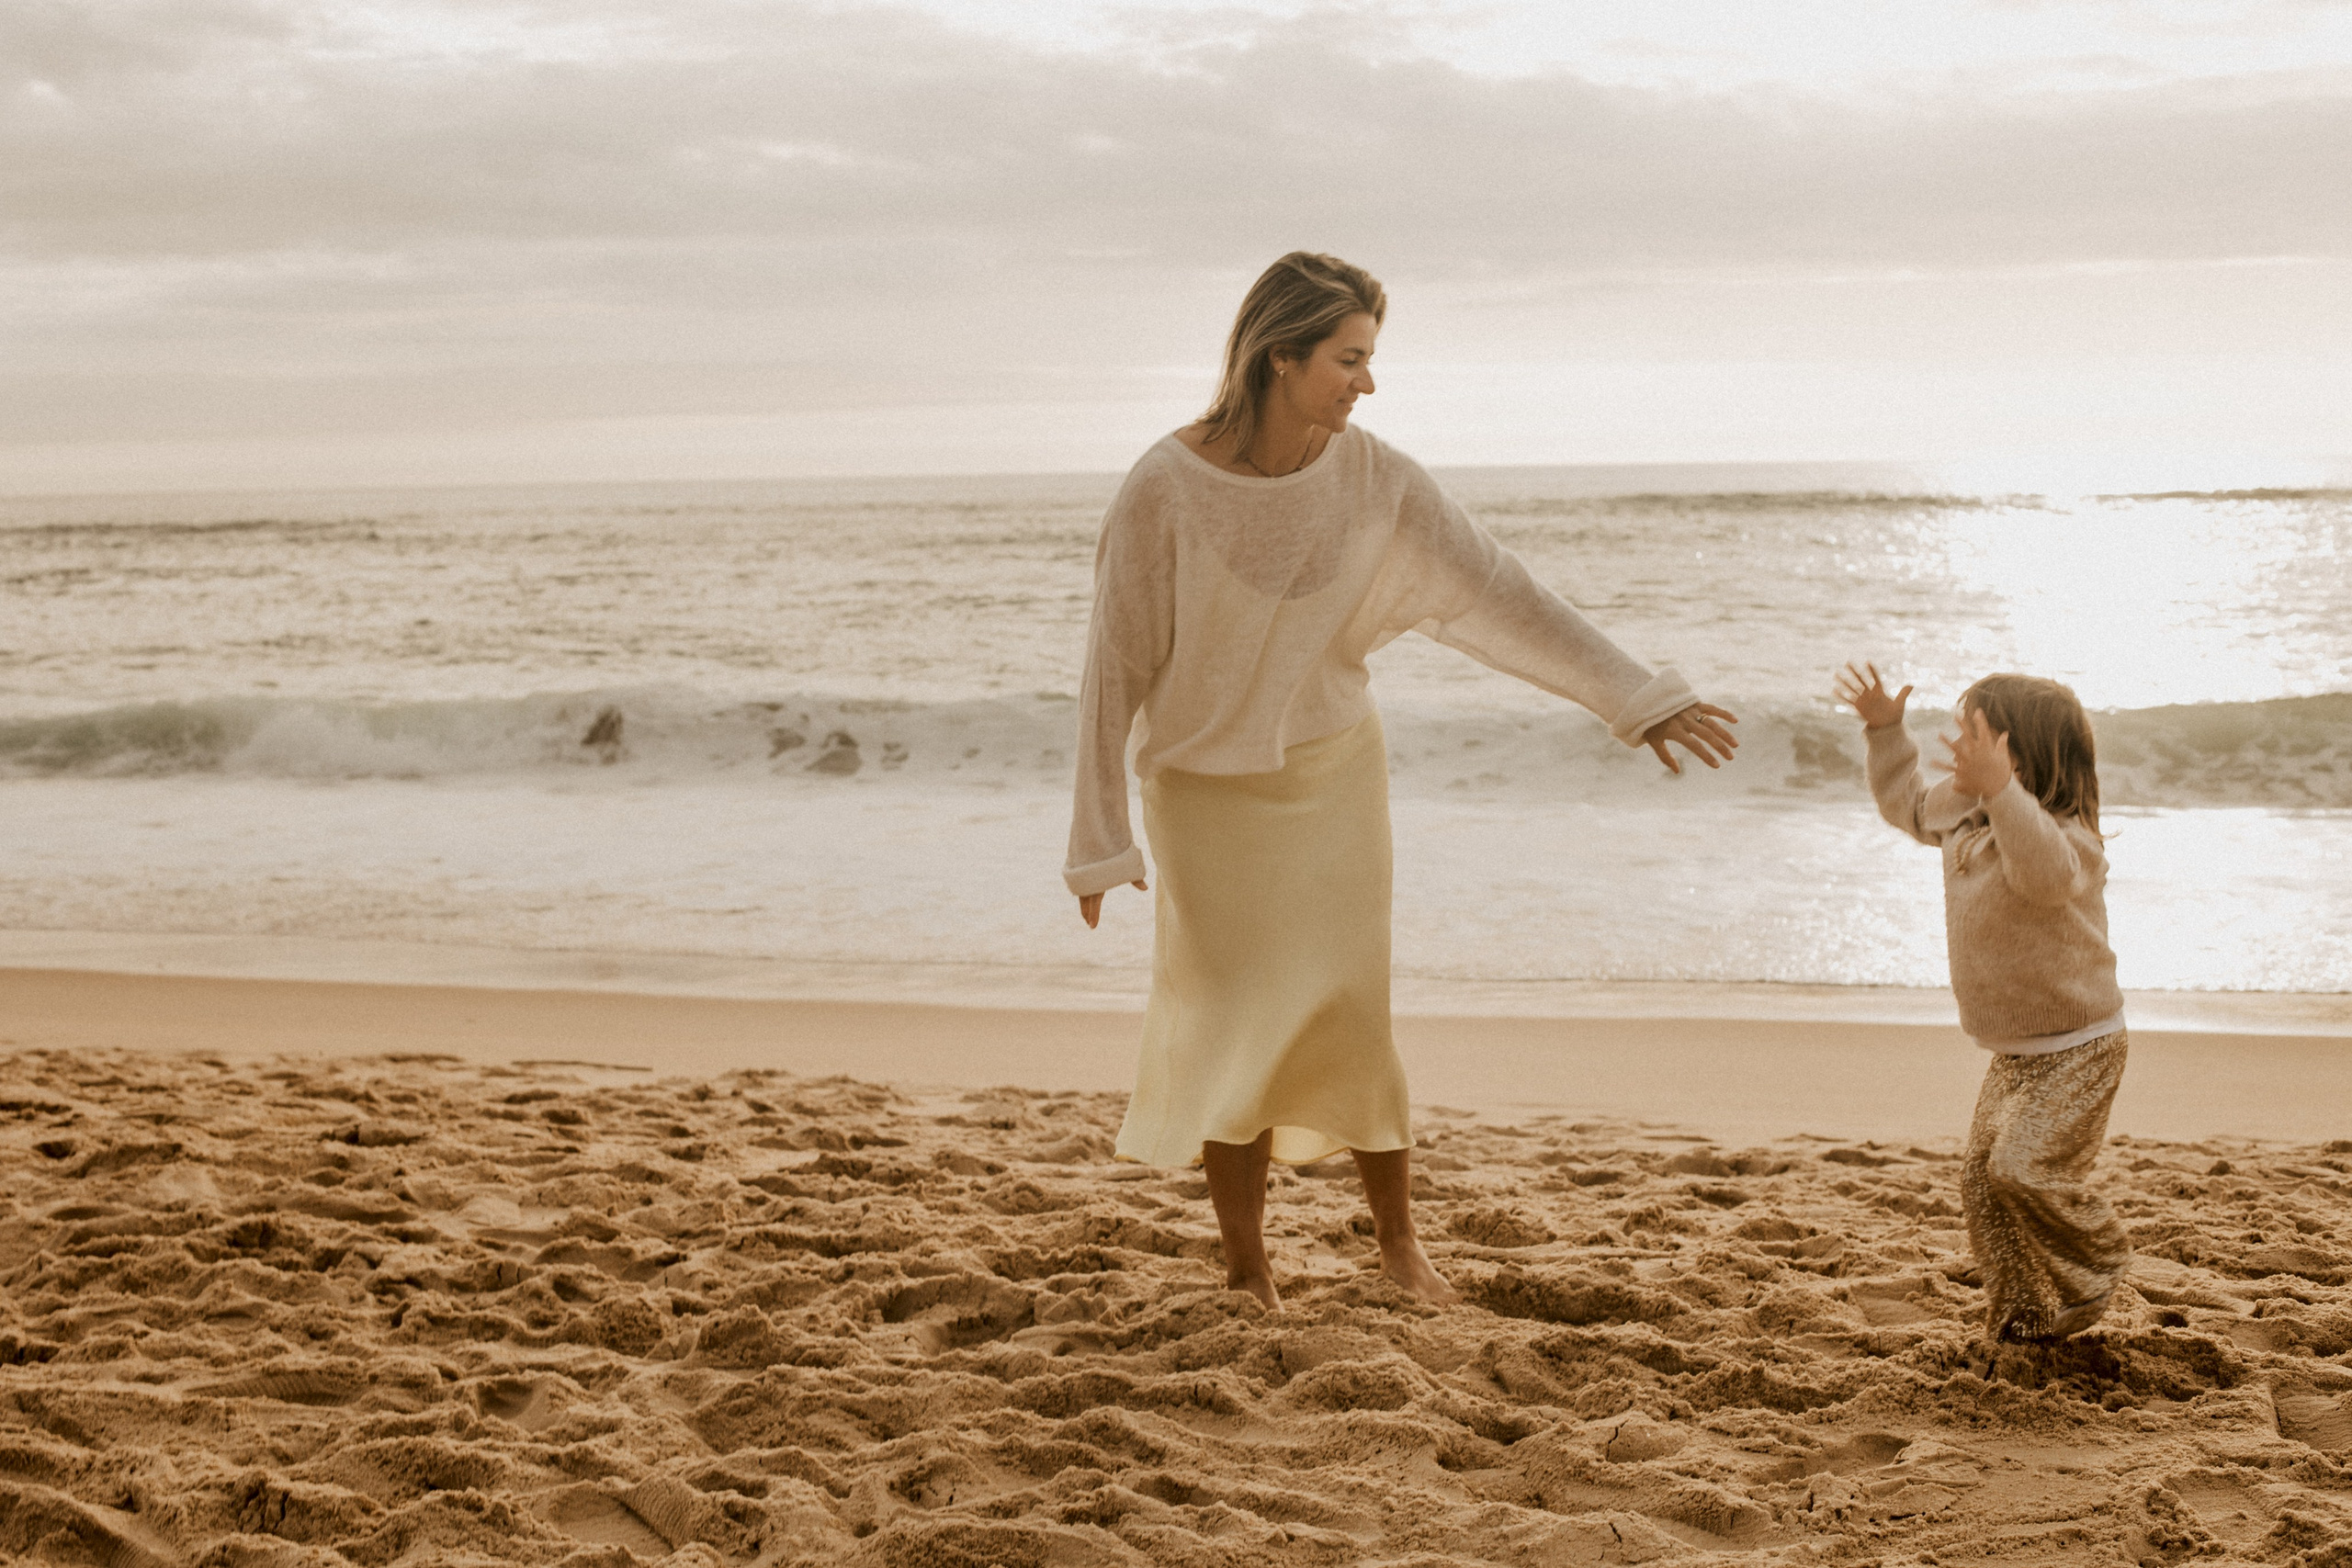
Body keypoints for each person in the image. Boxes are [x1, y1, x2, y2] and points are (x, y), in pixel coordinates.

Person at [1064, 251, 1739, 1312]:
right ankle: (1247, 1268)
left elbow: (1495, 591)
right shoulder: (1164, 487)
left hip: (1332, 778)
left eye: (1370, 360)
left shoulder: (1375, 478)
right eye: (1348, 359)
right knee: (1229, 1018)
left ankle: (1398, 1247)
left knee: (1348, 1012)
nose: (1366, 383)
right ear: (1278, 356)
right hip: (1204, 798)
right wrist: (1101, 838)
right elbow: (1114, 665)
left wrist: (1633, 694)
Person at [1836, 662, 2130, 1340]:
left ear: (2023, 756)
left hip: (2081, 1045)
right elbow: (1907, 802)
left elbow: (2043, 875)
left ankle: (2099, 1256)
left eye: (1977, 738)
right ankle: (2021, 1314)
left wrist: (2002, 795)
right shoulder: (1963, 813)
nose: (1959, 749)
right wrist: (1886, 732)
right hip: (2014, 1054)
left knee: (2023, 1167)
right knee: (1982, 1186)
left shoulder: (2070, 842)